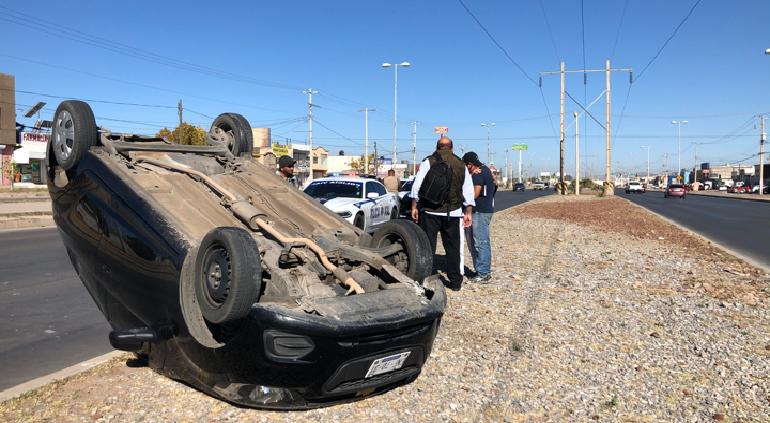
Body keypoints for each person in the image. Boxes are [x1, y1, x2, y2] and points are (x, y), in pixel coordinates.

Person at [410, 137, 475, 291]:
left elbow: (416, 187)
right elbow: (468, 191)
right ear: (452, 148)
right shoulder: (460, 164)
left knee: (426, 247)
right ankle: (455, 281)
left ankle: (425, 279)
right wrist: (468, 212)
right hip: (453, 212)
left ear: (437, 147)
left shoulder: (429, 162)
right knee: (454, 248)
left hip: (429, 211)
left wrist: (414, 206)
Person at [462, 152, 495, 283]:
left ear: (470, 165)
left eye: (465, 166)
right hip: (486, 210)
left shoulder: (477, 174)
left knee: (481, 242)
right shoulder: (486, 170)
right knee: (482, 242)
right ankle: (482, 271)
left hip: (479, 212)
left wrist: (463, 199)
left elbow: (475, 193)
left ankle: (484, 273)